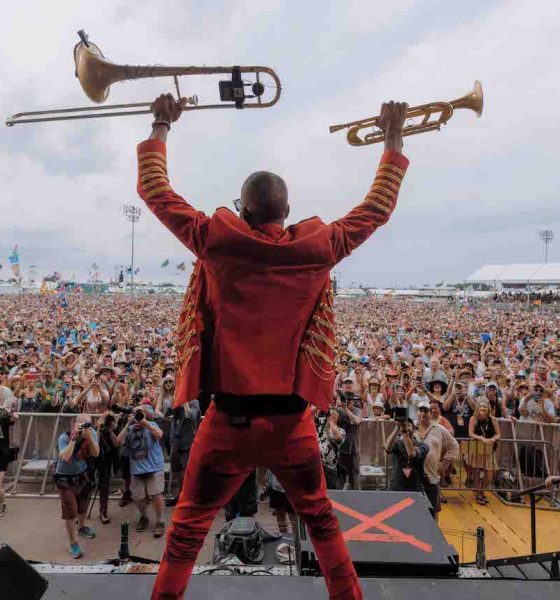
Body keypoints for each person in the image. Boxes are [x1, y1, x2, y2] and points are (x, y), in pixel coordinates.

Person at [138, 93, 409, 600]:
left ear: (242, 210)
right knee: (324, 526)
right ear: (286, 211)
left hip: (225, 426)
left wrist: (160, 122)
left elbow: (153, 189)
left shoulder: (216, 240)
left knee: (188, 532)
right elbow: (378, 206)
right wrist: (393, 135)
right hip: (293, 428)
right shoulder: (319, 248)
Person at [117, 403, 166, 538]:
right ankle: (144, 517)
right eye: (136, 413)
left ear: (145, 415)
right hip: (137, 469)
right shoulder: (130, 428)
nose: (138, 416)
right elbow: (118, 441)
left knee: (156, 494)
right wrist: (127, 425)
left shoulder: (151, 425)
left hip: (154, 466)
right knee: (139, 498)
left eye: (140, 413)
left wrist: (145, 424)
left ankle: (160, 521)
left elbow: (159, 435)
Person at [54, 414, 99, 559]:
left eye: (88, 424)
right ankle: (73, 542)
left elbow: (95, 453)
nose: (85, 426)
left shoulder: (91, 433)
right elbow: (65, 457)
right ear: (74, 423)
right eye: (82, 423)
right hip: (65, 477)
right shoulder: (64, 437)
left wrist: (89, 437)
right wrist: (74, 438)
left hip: (82, 475)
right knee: (70, 511)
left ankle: (81, 527)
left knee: (83, 505)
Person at [416, 400, 459, 519]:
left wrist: (445, 463)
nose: (423, 414)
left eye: (426, 411)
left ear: (431, 413)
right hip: (413, 479)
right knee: (413, 513)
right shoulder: (411, 427)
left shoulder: (439, 429)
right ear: (417, 412)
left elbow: (454, 446)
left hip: (431, 478)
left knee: (433, 513)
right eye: (421, 410)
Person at [165, 400, 201, 507]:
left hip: (188, 443)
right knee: (178, 471)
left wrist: (185, 403)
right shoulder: (177, 400)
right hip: (176, 441)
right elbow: (167, 414)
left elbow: (191, 417)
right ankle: (182, 496)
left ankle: (190, 499)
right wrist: (174, 404)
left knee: (188, 473)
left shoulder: (194, 402)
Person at [467, 400, 501, 505]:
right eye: (480, 406)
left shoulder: (493, 420)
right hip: (477, 447)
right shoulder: (473, 419)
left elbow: (498, 434)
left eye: (484, 406)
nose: (482, 408)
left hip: (489, 449)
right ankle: (478, 493)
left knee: (490, 473)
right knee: (477, 471)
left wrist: (493, 439)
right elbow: (470, 433)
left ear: (488, 409)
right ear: (477, 408)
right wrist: (481, 438)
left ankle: (481, 490)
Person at [384, 418, 429, 492]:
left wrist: (405, 433)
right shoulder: (398, 443)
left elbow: (412, 454)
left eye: (408, 425)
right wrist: (396, 428)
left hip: (414, 489)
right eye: (404, 425)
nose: (406, 428)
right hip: (396, 487)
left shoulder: (423, 446)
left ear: (414, 429)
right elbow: (387, 448)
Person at [337, 383, 363, 490]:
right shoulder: (339, 411)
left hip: (353, 452)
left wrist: (345, 409)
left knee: (355, 483)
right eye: (346, 401)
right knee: (339, 483)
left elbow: (357, 421)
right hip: (341, 451)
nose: (347, 403)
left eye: (349, 401)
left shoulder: (358, 410)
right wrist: (340, 407)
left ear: (353, 401)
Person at [314, 406, 346, 489]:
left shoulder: (341, 431)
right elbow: (309, 417)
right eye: (330, 414)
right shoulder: (320, 426)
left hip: (330, 469)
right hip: (317, 466)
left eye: (334, 415)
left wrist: (330, 421)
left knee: (331, 495)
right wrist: (318, 405)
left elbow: (338, 438)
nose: (332, 415)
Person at [0, 405, 18, 518]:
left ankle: (3, 505)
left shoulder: (3, 415)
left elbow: (16, 417)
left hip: (1, 453)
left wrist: (8, 411)